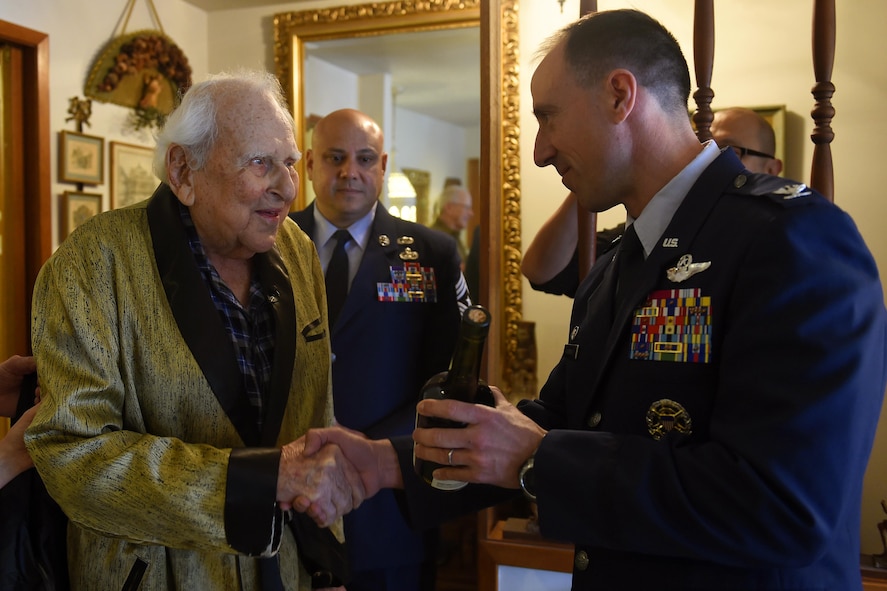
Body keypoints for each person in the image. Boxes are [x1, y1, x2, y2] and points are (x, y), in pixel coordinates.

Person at [298, 9, 887, 590]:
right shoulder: (616, 264)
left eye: (548, 118)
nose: (540, 151)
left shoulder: (791, 238)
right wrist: (385, 463)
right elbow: (560, 424)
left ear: (619, 96)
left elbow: (785, 506)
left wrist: (539, 460)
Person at [25, 70, 364, 590]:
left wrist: (326, 563)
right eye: (260, 163)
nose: (288, 188)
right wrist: (251, 483)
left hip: (287, 571)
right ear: (184, 170)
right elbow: (72, 453)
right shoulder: (92, 264)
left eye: (291, 163)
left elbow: (316, 421)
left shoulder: (295, 249)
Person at [289, 108, 470, 591]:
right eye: (335, 157)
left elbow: (450, 376)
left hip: (390, 503)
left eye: (365, 158)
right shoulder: (269, 245)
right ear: (309, 163)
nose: (350, 171)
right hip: (287, 493)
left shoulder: (431, 253)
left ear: (383, 165)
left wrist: (367, 450)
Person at [521, 106, 783, 294]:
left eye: (729, 150)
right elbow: (543, 272)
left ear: (772, 169)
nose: (711, 161)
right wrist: (590, 175)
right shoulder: (649, 232)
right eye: (703, 147)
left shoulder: (777, 238)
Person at [430, 185, 473, 264]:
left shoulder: (455, 237)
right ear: (449, 208)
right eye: (467, 208)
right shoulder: (434, 239)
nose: (471, 213)